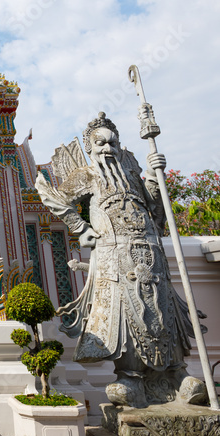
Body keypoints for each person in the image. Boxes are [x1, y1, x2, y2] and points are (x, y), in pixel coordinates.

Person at [35, 112, 206, 409]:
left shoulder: (132, 176)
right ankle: (131, 378)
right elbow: (53, 197)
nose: (108, 148)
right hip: (114, 255)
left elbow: (156, 210)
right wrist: (81, 228)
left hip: (150, 251)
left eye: (113, 143)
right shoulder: (87, 175)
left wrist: (154, 175)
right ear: (90, 147)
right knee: (126, 314)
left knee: (163, 308)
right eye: (101, 143)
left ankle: (177, 374)